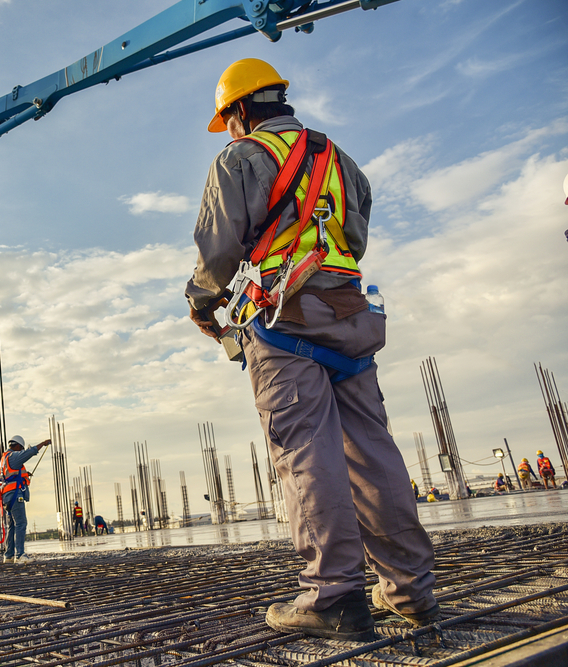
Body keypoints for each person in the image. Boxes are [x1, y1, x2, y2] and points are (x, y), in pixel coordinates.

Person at [185, 59, 438, 641]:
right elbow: (354, 237)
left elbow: (219, 248)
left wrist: (201, 303)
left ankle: (335, 595)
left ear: (241, 109)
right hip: (349, 316)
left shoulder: (241, 158)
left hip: (281, 320)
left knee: (306, 453)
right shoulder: (340, 161)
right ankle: (412, 592)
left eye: (227, 119)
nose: (227, 130)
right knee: (373, 452)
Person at [0, 435, 50, 564]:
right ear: (17, 446)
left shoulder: (4, 459)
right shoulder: (13, 456)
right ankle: (20, 555)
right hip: (15, 495)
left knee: (12, 525)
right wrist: (43, 443)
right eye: (20, 448)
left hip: (7, 497)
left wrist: (25, 475)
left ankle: (9, 555)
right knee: (21, 523)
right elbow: (29, 453)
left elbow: (11, 475)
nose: (21, 451)